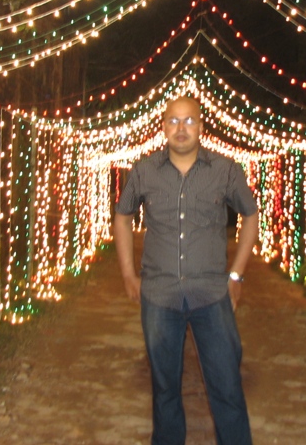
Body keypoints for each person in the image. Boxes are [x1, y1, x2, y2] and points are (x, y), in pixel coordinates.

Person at [113, 95, 259, 445]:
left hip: (211, 296)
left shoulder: (225, 170)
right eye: (174, 121)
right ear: (163, 126)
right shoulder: (144, 171)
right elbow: (122, 215)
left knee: (226, 387)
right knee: (164, 391)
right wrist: (128, 274)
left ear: (201, 127)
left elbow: (250, 215)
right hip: (160, 297)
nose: (181, 128)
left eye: (189, 121)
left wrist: (236, 275)